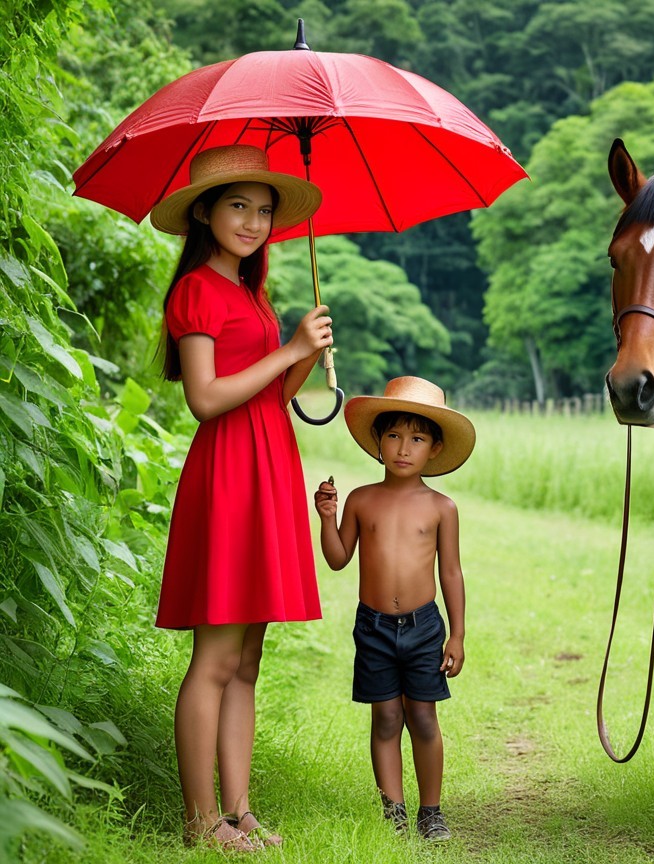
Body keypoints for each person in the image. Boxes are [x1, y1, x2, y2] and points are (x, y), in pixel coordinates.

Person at [151, 144, 332, 851]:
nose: (254, 222)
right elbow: (204, 399)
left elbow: (271, 395)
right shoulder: (197, 287)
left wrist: (305, 354)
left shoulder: (251, 291)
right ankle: (201, 822)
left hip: (268, 462)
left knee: (249, 660)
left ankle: (239, 809)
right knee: (216, 659)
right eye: (238, 206)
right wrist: (286, 351)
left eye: (263, 210)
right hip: (228, 471)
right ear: (203, 210)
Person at [313, 376, 475, 842]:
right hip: (374, 627)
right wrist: (327, 518)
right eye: (394, 436)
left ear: (435, 449)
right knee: (385, 717)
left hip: (424, 627)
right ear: (378, 443)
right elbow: (339, 558)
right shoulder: (362, 500)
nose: (404, 448)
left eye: (418, 438)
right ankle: (394, 812)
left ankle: (431, 812)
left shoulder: (442, 507)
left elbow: (451, 575)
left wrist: (457, 634)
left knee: (423, 716)